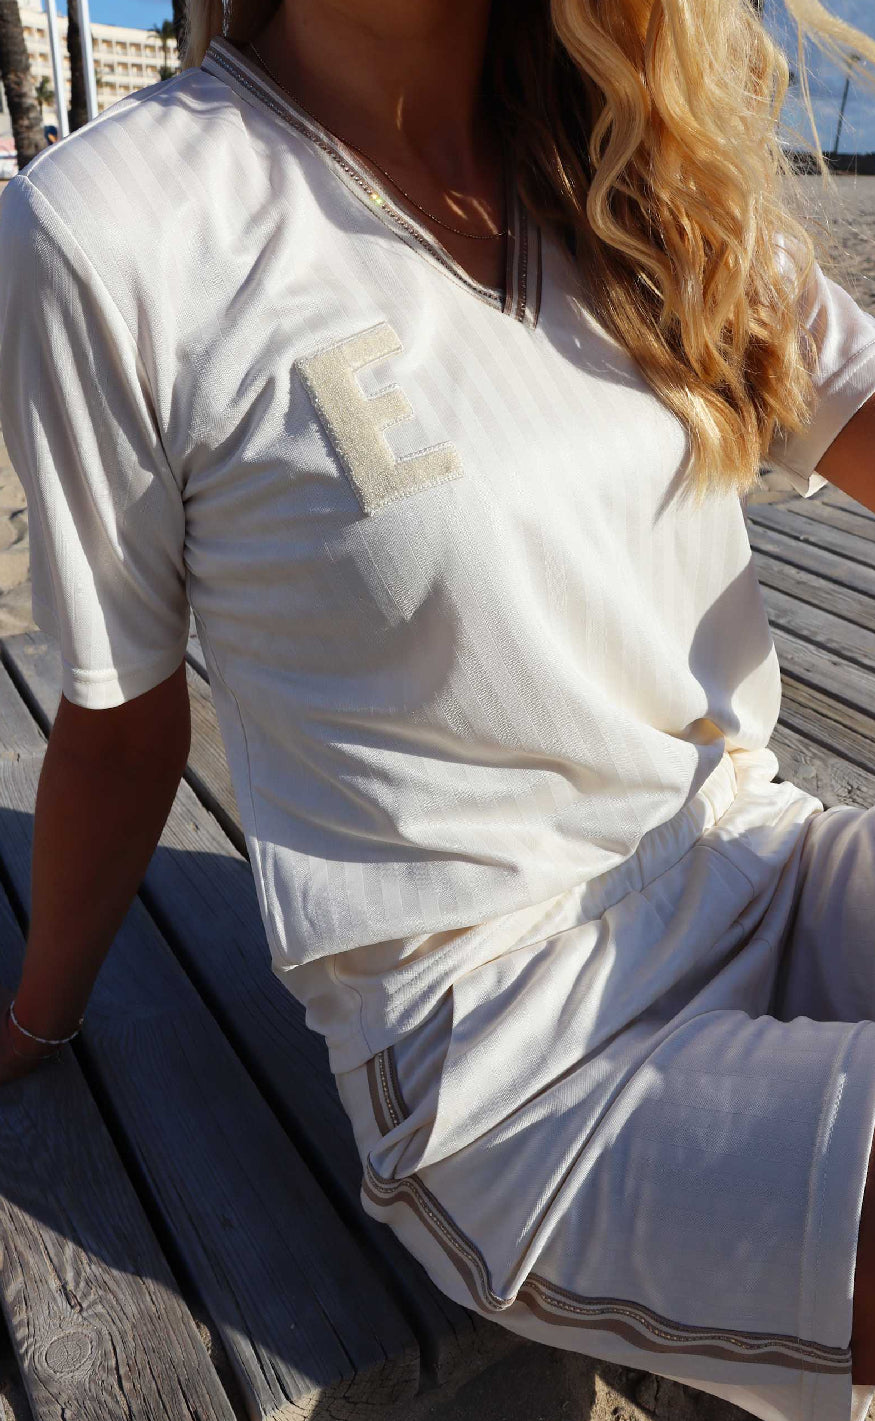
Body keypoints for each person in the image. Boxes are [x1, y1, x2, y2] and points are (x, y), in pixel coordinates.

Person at [1, 2, 875, 1418]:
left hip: (764, 865)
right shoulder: (113, 228)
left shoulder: (638, 168)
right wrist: (38, 1022)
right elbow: (120, 719)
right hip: (517, 1053)